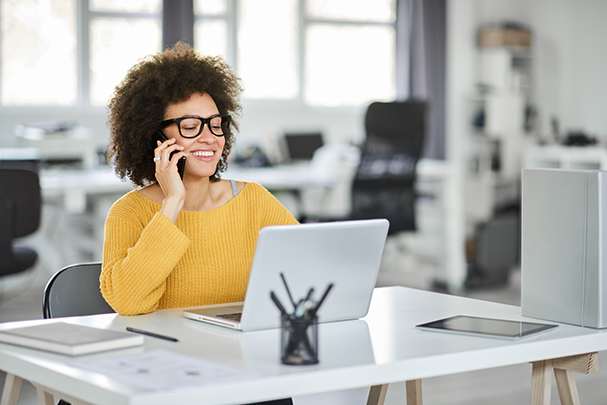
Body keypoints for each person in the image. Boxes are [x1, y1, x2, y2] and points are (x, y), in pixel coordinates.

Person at [101, 42, 298, 319]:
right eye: (191, 127)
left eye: (216, 125)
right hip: (168, 355)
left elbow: (307, 272)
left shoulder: (254, 200)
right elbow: (127, 301)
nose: (210, 138)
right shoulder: (129, 212)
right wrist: (172, 202)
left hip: (242, 355)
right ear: (155, 138)